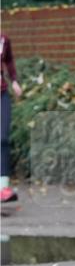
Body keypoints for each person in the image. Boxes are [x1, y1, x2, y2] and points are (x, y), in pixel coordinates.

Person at [1, 33, 22, 203]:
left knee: (3, 139)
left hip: (2, 94)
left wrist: (14, 81)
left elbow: (8, 60)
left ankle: (3, 187)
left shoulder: (3, 39)